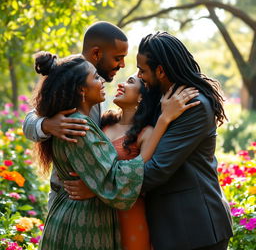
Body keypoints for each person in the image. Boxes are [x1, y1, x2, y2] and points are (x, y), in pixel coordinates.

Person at [66, 32, 233, 250]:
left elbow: (158, 168)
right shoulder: (162, 99)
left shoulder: (194, 106)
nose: (139, 76)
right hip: (167, 225)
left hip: (194, 228)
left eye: (142, 70)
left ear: (161, 71)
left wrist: (100, 188)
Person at [33, 52, 198, 250]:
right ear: (82, 90)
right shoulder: (80, 126)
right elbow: (114, 177)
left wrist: (95, 187)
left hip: (109, 213)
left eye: (130, 82)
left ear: (141, 97)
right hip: (82, 220)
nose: (103, 81)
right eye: (95, 77)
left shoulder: (78, 123)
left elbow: (115, 176)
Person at [23, 21, 130, 208]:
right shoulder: (69, 74)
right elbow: (29, 122)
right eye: (118, 58)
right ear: (96, 53)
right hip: (68, 200)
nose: (122, 64)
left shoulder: (96, 87)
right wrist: (47, 124)